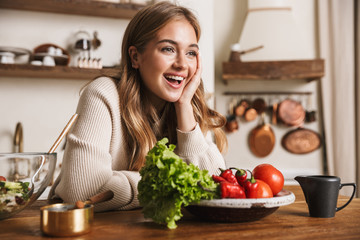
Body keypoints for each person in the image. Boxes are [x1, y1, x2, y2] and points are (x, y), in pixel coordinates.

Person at [49, 1, 228, 211]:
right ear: (135, 56)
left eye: (190, 53)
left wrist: (184, 107)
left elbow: (215, 186)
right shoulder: (103, 94)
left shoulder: (190, 104)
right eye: (168, 49)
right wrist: (168, 185)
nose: (182, 64)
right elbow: (82, 193)